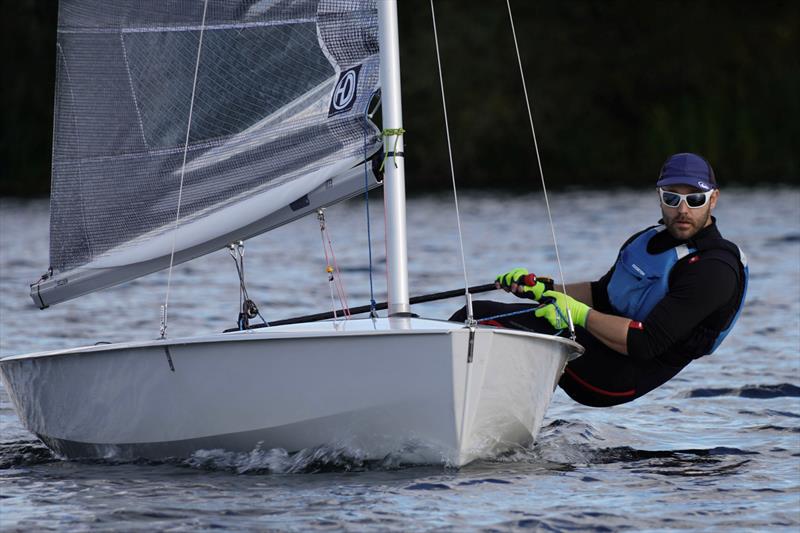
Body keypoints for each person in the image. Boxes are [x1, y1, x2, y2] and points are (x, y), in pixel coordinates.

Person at [451, 153, 748, 407]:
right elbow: (602, 294)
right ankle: (479, 414)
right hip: (598, 349)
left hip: (620, 376)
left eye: (695, 199)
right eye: (672, 198)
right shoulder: (648, 239)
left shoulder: (715, 269)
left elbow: (645, 343)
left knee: (479, 320)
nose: (683, 210)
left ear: (713, 199)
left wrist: (577, 314)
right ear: (659, 197)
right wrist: (542, 289)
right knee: (471, 314)